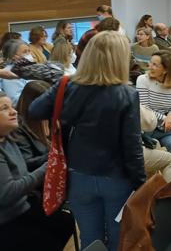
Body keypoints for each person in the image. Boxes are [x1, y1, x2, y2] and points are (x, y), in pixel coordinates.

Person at [29, 31, 145, 251]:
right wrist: (140, 184)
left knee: (90, 241)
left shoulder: (67, 85)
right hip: (116, 178)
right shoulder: (127, 93)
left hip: (78, 177)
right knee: (118, 240)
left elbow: (35, 109)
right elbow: (132, 146)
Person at [0, 91, 75, 250]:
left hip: (24, 207)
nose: (13, 111)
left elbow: (23, 170)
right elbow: (8, 193)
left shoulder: (8, 139)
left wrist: (54, 156)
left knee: (66, 222)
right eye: (4, 108)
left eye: (12, 107)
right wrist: (48, 166)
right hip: (9, 220)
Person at [136, 50, 171, 157]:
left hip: (164, 127)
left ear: (166, 70)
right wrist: (166, 118)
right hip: (146, 127)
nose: (150, 67)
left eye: (155, 65)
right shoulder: (143, 80)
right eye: (151, 63)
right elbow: (145, 110)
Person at [14, 80, 51, 171]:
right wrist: (53, 154)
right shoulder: (18, 128)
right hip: (37, 179)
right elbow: (27, 163)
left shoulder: (51, 118)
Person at [0, 40, 33, 105]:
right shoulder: (10, 73)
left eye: (29, 51)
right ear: (14, 56)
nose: (29, 54)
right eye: (25, 52)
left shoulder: (29, 69)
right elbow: (14, 101)